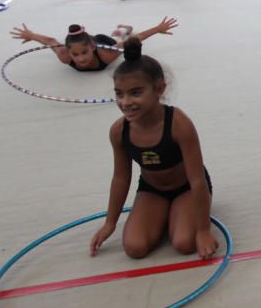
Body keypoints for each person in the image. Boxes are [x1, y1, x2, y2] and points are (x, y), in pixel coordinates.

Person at [89, 38, 218, 260]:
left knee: (184, 243)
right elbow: (121, 178)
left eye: (136, 93)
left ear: (159, 89)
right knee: (134, 248)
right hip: (152, 189)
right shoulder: (119, 131)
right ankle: (165, 214)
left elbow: (197, 179)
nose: (126, 102)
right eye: (119, 94)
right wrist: (110, 223)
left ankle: (178, 214)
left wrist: (204, 230)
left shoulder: (179, 124)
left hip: (186, 186)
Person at [10, 17, 178, 71]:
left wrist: (158, 28)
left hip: (102, 41)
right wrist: (31, 35)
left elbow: (134, 41)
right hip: (87, 40)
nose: (80, 59)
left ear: (91, 48)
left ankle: (125, 28)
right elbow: (51, 42)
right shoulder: (64, 56)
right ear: (69, 52)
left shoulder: (106, 54)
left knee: (119, 38)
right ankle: (121, 29)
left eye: (84, 53)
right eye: (75, 54)